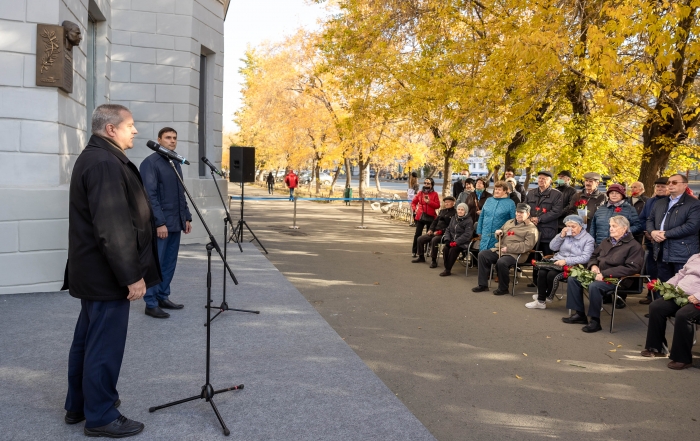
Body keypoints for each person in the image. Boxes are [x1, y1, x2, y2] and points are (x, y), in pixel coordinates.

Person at [63, 104, 160, 437]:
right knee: (103, 345)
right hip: (106, 274)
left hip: (94, 271)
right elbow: (113, 227)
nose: (134, 130)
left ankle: (78, 405)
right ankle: (101, 415)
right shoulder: (105, 163)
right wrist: (131, 276)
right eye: (129, 125)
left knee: (87, 340)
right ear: (110, 129)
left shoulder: (98, 157)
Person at [139, 127, 192, 319]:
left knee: (169, 263)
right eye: (167, 138)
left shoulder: (174, 161)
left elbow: (180, 192)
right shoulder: (150, 163)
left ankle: (163, 296)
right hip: (160, 225)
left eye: (174, 138)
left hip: (175, 222)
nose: (172, 141)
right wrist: (159, 223)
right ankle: (150, 303)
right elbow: (149, 196)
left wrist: (186, 216)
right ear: (159, 140)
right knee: (157, 263)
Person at [562, 216, 644, 333]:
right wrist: (593, 266)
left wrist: (604, 273)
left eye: (614, 226)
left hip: (619, 279)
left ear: (624, 228)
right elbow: (593, 256)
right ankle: (579, 314)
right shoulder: (607, 241)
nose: (610, 229)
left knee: (595, 286)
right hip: (598, 274)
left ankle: (595, 321)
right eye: (610, 226)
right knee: (573, 279)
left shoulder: (634, 246)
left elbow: (632, 268)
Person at [642, 252, 700, 370]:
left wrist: (698, 296)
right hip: (681, 295)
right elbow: (680, 275)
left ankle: (682, 358)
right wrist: (668, 285)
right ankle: (657, 348)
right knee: (656, 307)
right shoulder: (695, 257)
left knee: (683, 315)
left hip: (697, 299)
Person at [525, 215, 595, 309]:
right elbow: (552, 247)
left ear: (581, 226)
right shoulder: (565, 234)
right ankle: (541, 299)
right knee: (542, 271)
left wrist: (566, 260)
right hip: (557, 261)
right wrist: (561, 236)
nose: (570, 229)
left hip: (574, 266)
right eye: (568, 227)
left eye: (573, 227)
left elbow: (586, 257)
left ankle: (544, 298)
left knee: (551, 274)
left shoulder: (588, 239)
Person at [647, 173, 700, 290]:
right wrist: (652, 232)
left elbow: (692, 226)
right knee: (664, 288)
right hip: (661, 251)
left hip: (682, 252)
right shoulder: (660, 203)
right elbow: (650, 220)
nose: (670, 185)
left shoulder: (694, 203)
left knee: (681, 289)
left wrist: (665, 234)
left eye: (674, 182)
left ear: (685, 185)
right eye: (669, 182)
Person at [472, 203, 538, 294]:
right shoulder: (509, 222)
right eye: (517, 212)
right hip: (500, 250)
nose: (519, 214)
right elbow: (500, 234)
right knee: (483, 255)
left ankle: (503, 288)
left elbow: (527, 246)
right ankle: (482, 285)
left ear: (528, 214)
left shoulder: (531, 228)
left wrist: (509, 249)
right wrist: (498, 233)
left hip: (516, 254)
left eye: (522, 212)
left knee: (502, 262)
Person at [638, 177, 669, 304]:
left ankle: (661, 300)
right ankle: (651, 296)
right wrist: (648, 232)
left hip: (665, 243)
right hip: (650, 243)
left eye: (663, 186)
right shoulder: (650, 202)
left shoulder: (669, 202)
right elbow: (643, 219)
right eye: (658, 187)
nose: (660, 189)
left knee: (663, 272)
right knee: (652, 271)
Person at [524, 170, 563, 257]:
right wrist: (530, 218)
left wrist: (539, 219)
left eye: (544, 179)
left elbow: (556, 211)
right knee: (532, 258)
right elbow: (525, 208)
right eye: (540, 178)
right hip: (531, 230)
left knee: (546, 257)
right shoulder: (531, 193)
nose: (541, 180)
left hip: (547, 231)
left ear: (550, 181)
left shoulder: (557, 194)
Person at [413, 196, 457, 268]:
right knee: (420, 239)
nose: (446, 204)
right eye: (445, 202)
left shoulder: (455, 213)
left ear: (453, 203)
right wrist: (431, 229)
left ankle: (433, 260)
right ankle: (421, 257)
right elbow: (435, 221)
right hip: (435, 232)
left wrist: (440, 232)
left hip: (445, 234)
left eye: (448, 202)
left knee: (434, 240)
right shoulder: (442, 211)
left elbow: (452, 227)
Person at [476, 181, 516, 253]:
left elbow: (513, 221)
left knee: (494, 256)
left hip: (500, 236)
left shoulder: (510, 203)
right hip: (485, 233)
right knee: (482, 255)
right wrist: (479, 230)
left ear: (505, 191)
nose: (496, 191)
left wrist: (509, 234)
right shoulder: (488, 200)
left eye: (499, 189)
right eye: (496, 189)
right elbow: (482, 216)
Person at [439, 203, 474, 276]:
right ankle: (447, 267)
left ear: (466, 211)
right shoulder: (453, 218)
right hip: (452, 241)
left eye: (462, 210)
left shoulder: (469, 221)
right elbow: (448, 229)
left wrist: (456, 242)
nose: (460, 211)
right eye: (459, 209)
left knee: (453, 250)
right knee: (446, 248)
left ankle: (447, 270)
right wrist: (447, 240)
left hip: (463, 243)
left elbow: (467, 235)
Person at [411, 178, 441, 257]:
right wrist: (415, 209)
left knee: (429, 234)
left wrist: (429, 202)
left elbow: (437, 205)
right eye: (425, 183)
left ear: (431, 185)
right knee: (418, 234)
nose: (426, 185)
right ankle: (415, 251)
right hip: (420, 216)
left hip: (431, 217)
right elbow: (413, 202)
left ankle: (428, 250)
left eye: (428, 183)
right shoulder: (420, 193)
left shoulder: (435, 194)